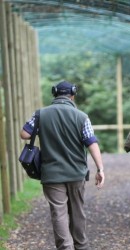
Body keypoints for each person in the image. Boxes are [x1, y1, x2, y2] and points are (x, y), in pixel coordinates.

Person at [20, 80, 105, 250]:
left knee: (58, 213)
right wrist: (100, 168)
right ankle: (81, 246)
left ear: (54, 94)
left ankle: (65, 247)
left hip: (51, 174)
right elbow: (91, 143)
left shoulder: (40, 114)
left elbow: (24, 134)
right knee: (77, 212)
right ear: (72, 95)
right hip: (76, 173)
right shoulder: (82, 117)